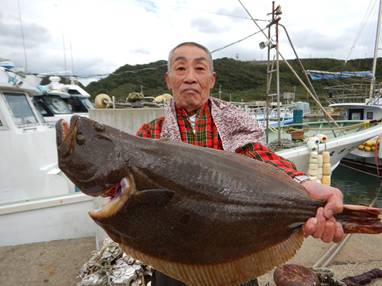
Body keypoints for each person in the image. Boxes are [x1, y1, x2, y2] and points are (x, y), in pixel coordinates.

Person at [136, 42, 344, 286]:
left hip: (235, 251)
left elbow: (256, 155)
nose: (190, 77)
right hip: (173, 257)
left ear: (212, 80)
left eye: (200, 69)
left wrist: (304, 183)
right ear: (168, 79)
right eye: (180, 68)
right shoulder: (150, 134)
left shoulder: (234, 125)